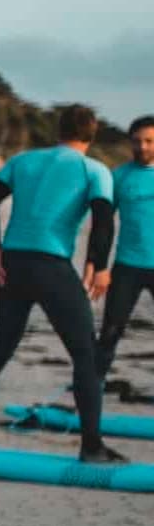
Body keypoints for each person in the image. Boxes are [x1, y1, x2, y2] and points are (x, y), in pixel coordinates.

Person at [0, 105, 121, 462]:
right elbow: (104, 221)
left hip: (12, 264)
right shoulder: (94, 169)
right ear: (92, 133)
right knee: (85, 355)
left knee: (0, 347)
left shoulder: (23, 161)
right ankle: (92, 446)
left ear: (58, 130)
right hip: (51, 267)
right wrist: (97, 265)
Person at [95, 114, 154, 383]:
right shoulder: (118, 176)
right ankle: (90, 391)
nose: (142, 147)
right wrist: (100, 268)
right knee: (110, 332)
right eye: (137, 141)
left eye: (149, 141)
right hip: (127, 266)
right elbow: (103, 225)